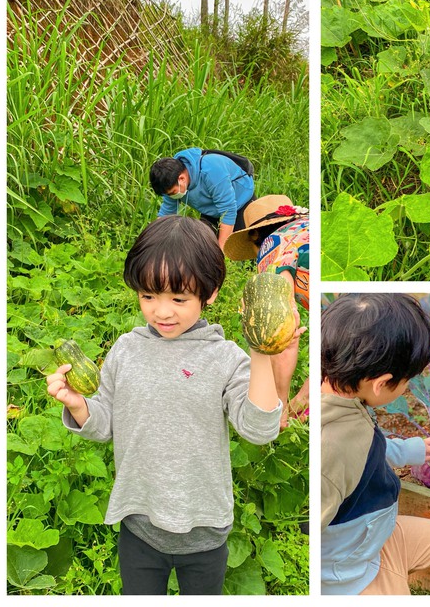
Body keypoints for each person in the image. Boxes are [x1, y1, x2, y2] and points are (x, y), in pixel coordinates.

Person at [46, 215, 283, 595]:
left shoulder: (225, 358)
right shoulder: (126, 350)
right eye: (148, 296)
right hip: (139, 525)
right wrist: (77, 403)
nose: (162, 311)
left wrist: (261, 352)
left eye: (179, 298)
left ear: (211, 293)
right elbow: (105, 423)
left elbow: (258, 429)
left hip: (204, 529)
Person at [320, 293, 430, 595]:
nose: (408, 388)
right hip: (344, 575)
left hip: (369, 545)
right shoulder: (332, 450)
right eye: (407, 382)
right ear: (381, 384)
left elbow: (368, 451)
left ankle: (378, 563)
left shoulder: (346, 401)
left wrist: (412, 450)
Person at [224, 194, 309, 429]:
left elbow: (279, 336)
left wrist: (279, 406)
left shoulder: (273, 246)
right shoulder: (309, 227)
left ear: (255, 236)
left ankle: (285, 414)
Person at [150, 148, 255, 248]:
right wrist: (152, 242)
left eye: (172, 193)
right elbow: (166, 215)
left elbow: (228, 211)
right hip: (212, 210)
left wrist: (221, 250)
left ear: (181, 178)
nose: (172, 196)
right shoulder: (170, 181)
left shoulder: (211, 170)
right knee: (202, 247)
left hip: (241, 202)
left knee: (245, 248)